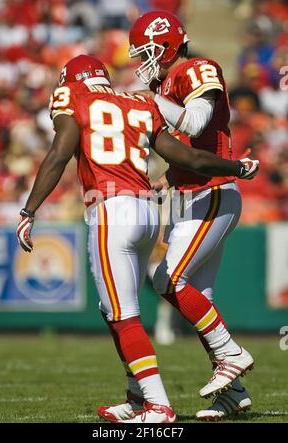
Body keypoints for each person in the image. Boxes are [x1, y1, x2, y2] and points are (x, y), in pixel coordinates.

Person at [16, 54, 258, 423]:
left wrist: (29, 210)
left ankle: (158, 405)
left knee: (123, 315)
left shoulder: (72, 95)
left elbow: (59, 153)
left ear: (70, 81)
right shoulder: (138, 101)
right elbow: (188, 156)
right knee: (112, 308)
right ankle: (136, 396)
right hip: (148, 211)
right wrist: (236, 166)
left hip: (110, 211)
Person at [98, 11, 257, 422]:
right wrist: (166, 178)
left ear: (167, 45)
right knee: (195, 297)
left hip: (212, 193)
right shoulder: (163, 83)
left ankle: (230, 353)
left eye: (147, 51)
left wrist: (153, 101)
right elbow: (186, 147)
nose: (142, 61)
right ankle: (233, 394)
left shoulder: (197, 69)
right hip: (190, 193)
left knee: (166, 278)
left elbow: (198, 121)